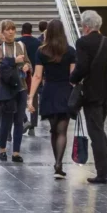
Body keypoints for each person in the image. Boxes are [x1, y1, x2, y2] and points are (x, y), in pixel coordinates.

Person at [70, 10, 107, 185]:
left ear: (86, 27)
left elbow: (82, 67)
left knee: (96, 133)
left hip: (92, 95)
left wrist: (72, 79)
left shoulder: (83, 43)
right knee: (99, 130)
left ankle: (103, 172)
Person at [27, 19, 76, 179]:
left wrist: (31, 97)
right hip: (65, 92)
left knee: (54, 130)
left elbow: (37, 76)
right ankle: (59, 163)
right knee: (62, 130)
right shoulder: (70, 51)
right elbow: (73, 77)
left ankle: (57, 161)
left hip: (49, 91)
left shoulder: (42, 52)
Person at [0, 20, 31, 163]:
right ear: (2, 32)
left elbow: (28, 62)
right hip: (8, 90)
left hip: (21, 87)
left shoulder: (21, 45)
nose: (11, 32)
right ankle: (2, 149)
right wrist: (14, 60)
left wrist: (27, 65)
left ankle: (16, 152)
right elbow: (0, 70)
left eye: (13, 29)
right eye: (7, 29)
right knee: (6, 121)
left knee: (19, 120)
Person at [19, 22, 42, 136]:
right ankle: (32, 125)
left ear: (22, 30)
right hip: (35, 74)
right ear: (31, 30)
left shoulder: (18, 42)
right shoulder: (38, 42)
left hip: (22, 74)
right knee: (34, 100)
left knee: (20, 99)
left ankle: (25, 121)